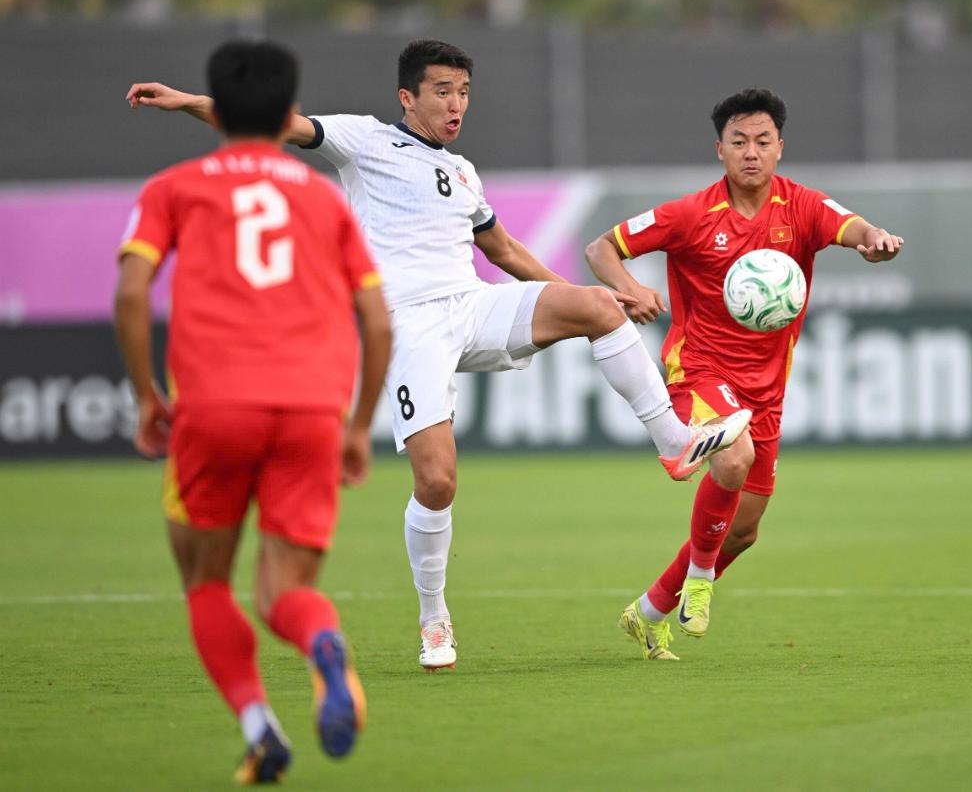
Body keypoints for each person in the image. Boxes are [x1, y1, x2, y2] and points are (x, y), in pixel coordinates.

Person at [126, 39, 751, 672]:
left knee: (594, 307)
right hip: (408, 325)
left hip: (472, 306)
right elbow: (274, 123)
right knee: (437, 480)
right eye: (443, 92)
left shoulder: (463, 172)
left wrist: (609, 292)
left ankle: (674, 442)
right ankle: (433, 619)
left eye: (464, 93)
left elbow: (503, 250)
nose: (457, 105)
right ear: (408, 97)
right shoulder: (362, 140)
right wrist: (183, 102)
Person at [114, 40, 392, 782]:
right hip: (309, 410)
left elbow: (132, 292)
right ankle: (322, 646)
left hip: (214, 406)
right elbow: (377, 320)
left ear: (216, 104)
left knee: (207, 581)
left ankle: (259, 725)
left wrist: (148, 396)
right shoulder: (322, 200)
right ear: (287, 110)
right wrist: (360, 426)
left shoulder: (174, 187)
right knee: (287, 591)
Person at [586, 87, 903, 660]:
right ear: (720, 150)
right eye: (739, 142)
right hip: (699, 369)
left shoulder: (802, 207)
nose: (750, 152)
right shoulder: (688, 215)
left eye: (762, 141)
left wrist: (874, 242)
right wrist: (630, 290)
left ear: (780, 146)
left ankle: (650, 612)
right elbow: (601, 247)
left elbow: (853, 227)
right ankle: (700, 583)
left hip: (766, 388)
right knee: (732, 457)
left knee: (745, 529)